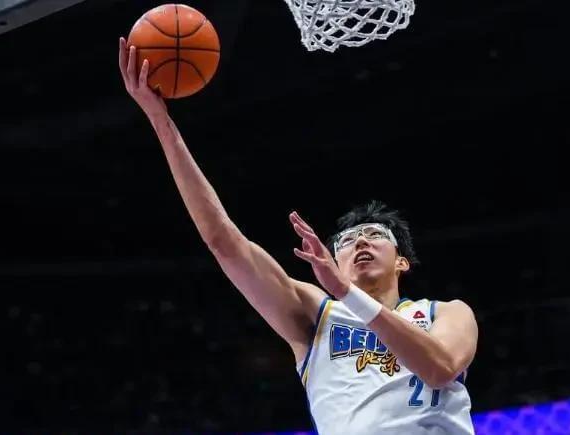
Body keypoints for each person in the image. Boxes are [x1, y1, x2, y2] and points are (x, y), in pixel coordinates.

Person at [118, 39, 479, 434]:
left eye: (375, 234)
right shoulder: (317, 313)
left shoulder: (445, 313)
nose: (360, 242)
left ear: (401, 260)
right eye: (347, 241)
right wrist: (160, 120)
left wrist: (346, 292)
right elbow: (224, 240)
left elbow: (440, 368)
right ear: (335, 262)